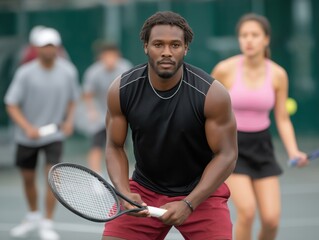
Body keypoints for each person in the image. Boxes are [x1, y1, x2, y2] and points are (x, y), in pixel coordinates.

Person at [103, 11, 238, 240]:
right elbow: (114, 146)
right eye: (158, 44)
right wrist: (124, 192)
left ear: (186, 49)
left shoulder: (211, 94)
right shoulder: (122, 90)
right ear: (146, 47)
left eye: (175, 45)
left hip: (201, 193)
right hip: (144, 188)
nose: (167, 52)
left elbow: (226, 154)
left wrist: (189, 203)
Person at [211, 13, 308, 240]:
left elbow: (282, 118)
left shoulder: (278, 74)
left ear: (266, 39)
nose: (249, 40)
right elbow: (205, 106)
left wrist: (294, 151)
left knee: (272, 219)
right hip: (232, 147)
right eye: (244, 35)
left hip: (262, 147)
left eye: (254, 35)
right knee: (246, 212)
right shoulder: (225, 69)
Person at [4, 27, 79, 240]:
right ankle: (33, 215)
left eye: (52, 46)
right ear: (36, 49)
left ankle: (47, 222)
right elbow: (11, 104)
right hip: (27, 137)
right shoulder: (24, 73)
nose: (49, 50)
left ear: (57, 48)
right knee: (28, 178)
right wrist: (27, 127)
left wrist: (69, 121)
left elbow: (74, 99)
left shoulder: (68, 71)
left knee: (53, 178)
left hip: (54, 136)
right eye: (45, 46)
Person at [82, 42, 133, 175]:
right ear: (101, 57)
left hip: (120, 116)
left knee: (121, 146)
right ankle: (96, 178)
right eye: (107, 56)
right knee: (96, 147)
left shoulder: (126, 68)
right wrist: (92, 111)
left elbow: (131, 91)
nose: (110, 59)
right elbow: (87, 95)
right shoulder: (93, 72)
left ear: (117, 56)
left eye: (113, 56)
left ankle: (121, 177)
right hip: (99, 117)